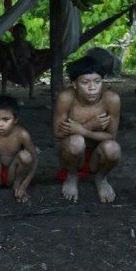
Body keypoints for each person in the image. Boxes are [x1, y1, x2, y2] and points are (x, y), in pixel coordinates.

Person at [52, 56, 121, 203]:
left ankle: (101, 178)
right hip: (71, 153)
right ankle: (72, 175)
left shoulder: (111, 99)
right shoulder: (66, 97)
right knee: (76, 142)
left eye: (97, 82)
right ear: (74, 84)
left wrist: (84, 131)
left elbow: (111, 137)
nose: (92, 88)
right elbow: (57, 133)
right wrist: (90, 125)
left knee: (113, 149)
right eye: (85, 82)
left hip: (97, 155)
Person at [1, 23, 37, 99]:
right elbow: (13, 63)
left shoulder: (29, 44)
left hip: (26, 66)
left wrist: (27, 60)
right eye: (16, 34)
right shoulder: (10, 46)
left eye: (21, 33)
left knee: (31, 67)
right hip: (14, 68)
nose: (19, 35)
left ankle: (31, 92)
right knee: (6, 63)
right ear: (13, 35)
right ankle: (3, 90)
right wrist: (22, 80)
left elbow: (35, 56)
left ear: (25, 34)